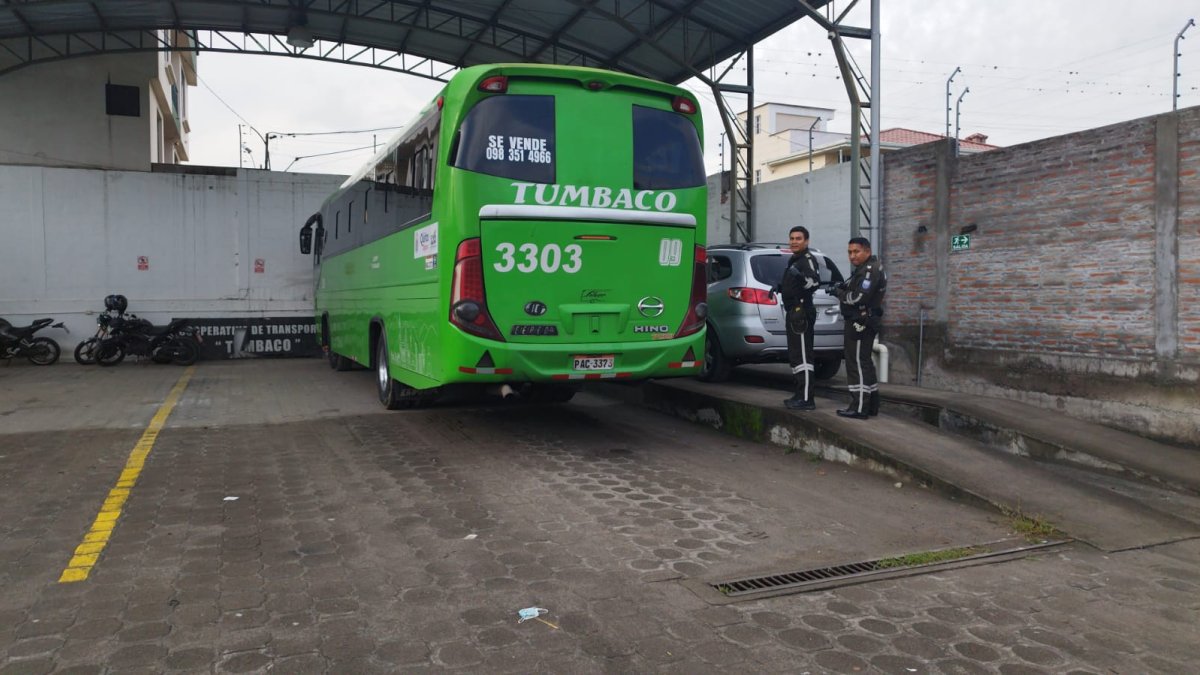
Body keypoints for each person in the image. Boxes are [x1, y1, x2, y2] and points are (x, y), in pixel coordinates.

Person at [833, 237, 887, 419]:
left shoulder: (869, 270)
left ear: (867, 251)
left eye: (856, 251)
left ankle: (859, 407)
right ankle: (871, 405)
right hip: (865, 320)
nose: (852, 256)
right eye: (849, 252)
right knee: (864, 361)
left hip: (860, 321)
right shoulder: (868, 268)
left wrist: (839, 293)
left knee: (856, 362)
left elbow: (858, 298)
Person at [778, 226, 822, 410]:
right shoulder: (795, 259)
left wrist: (801, 278)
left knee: (803, 356)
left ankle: (806, 399)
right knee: (796, 356)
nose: (794, 242)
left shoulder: (807, 260)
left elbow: (814, 282)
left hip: (801, 311)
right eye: (792, 238)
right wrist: (780, 287)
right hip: (794, 312)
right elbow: (794, 284)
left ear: (806, 241)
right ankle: (800, 394)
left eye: (798, 238)